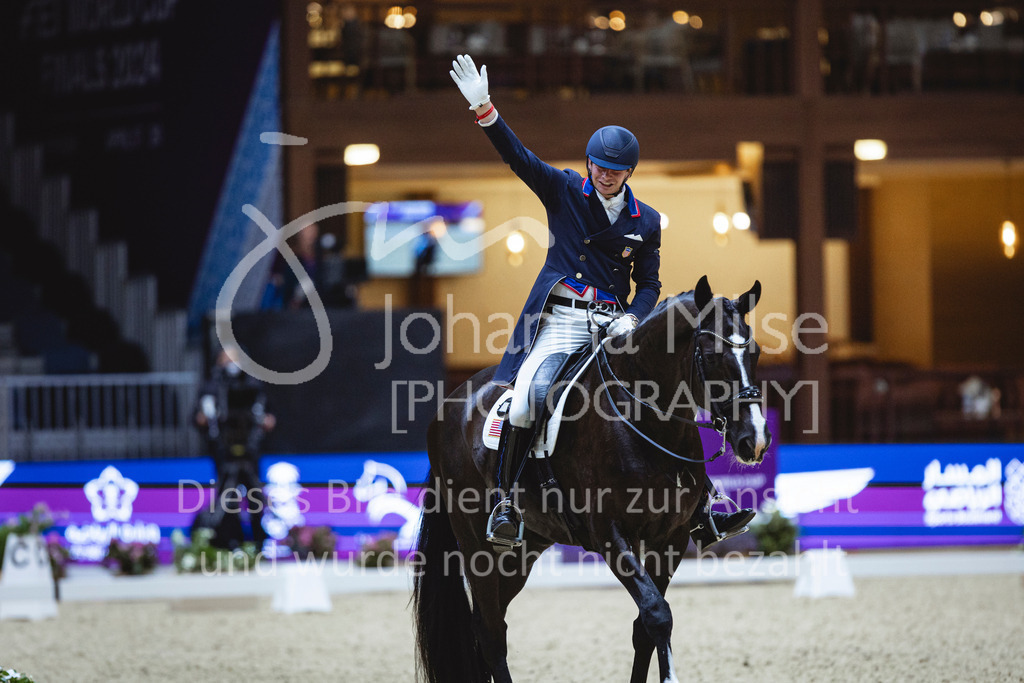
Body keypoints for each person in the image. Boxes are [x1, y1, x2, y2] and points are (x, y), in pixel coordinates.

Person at [450, 54, 754, 548]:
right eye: (597, 166)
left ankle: (701, 508)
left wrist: (633, 319)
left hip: (614, 325)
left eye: (613, 170)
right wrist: (485, 108)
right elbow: (519, 158)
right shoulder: (566, 189)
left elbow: (651, 284)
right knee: (529, 396)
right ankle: (505, 504)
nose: (603, 175)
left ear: (628, 171)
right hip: (562, 321)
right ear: (588, 162)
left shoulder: (646, 220)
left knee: (669, 398)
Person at [194, 345, 276, 550]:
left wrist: (267, 421)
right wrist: (204, 419)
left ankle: (259, 541)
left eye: (235, 359)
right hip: (223, 453)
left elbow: (270, 415)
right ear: (218, 362)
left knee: (254, 496)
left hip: (250, 452)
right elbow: (196, 418)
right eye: (226, 360)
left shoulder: (253, 385)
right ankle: (230, 539)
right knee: (227, 497)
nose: (231, 364)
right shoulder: (211, 388)